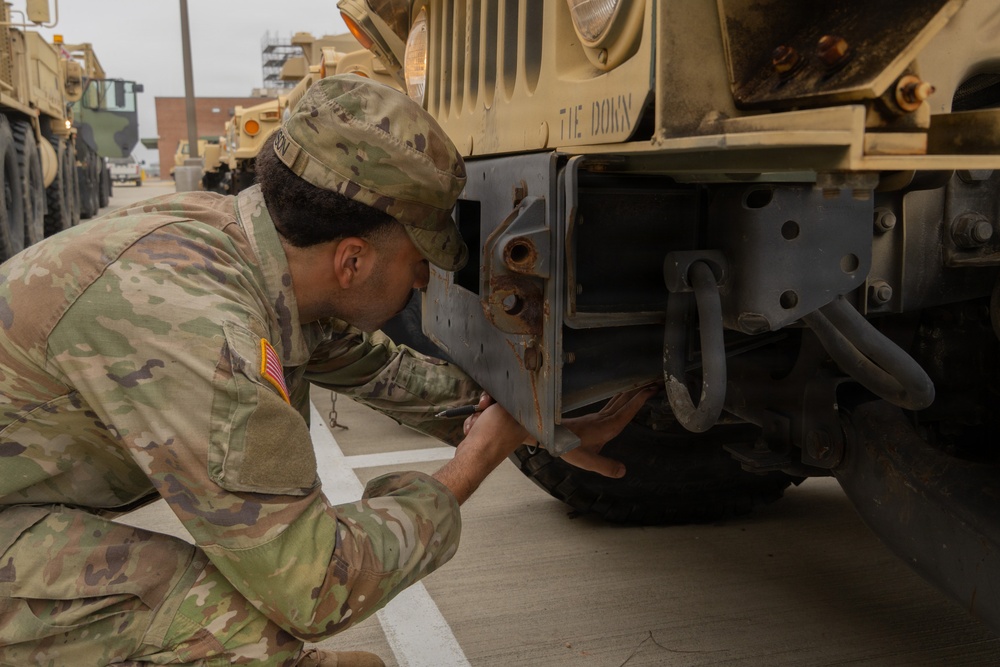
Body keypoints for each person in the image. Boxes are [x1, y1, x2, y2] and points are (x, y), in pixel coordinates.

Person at [0, 75, 654, 666]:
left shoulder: (231, 243)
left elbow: (379, 370)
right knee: (215, 625)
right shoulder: (200, 330)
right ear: (352, 261)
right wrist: (470, 467)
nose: (426, 279)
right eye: (419, 259)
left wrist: (535, 418)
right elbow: (313, 586)